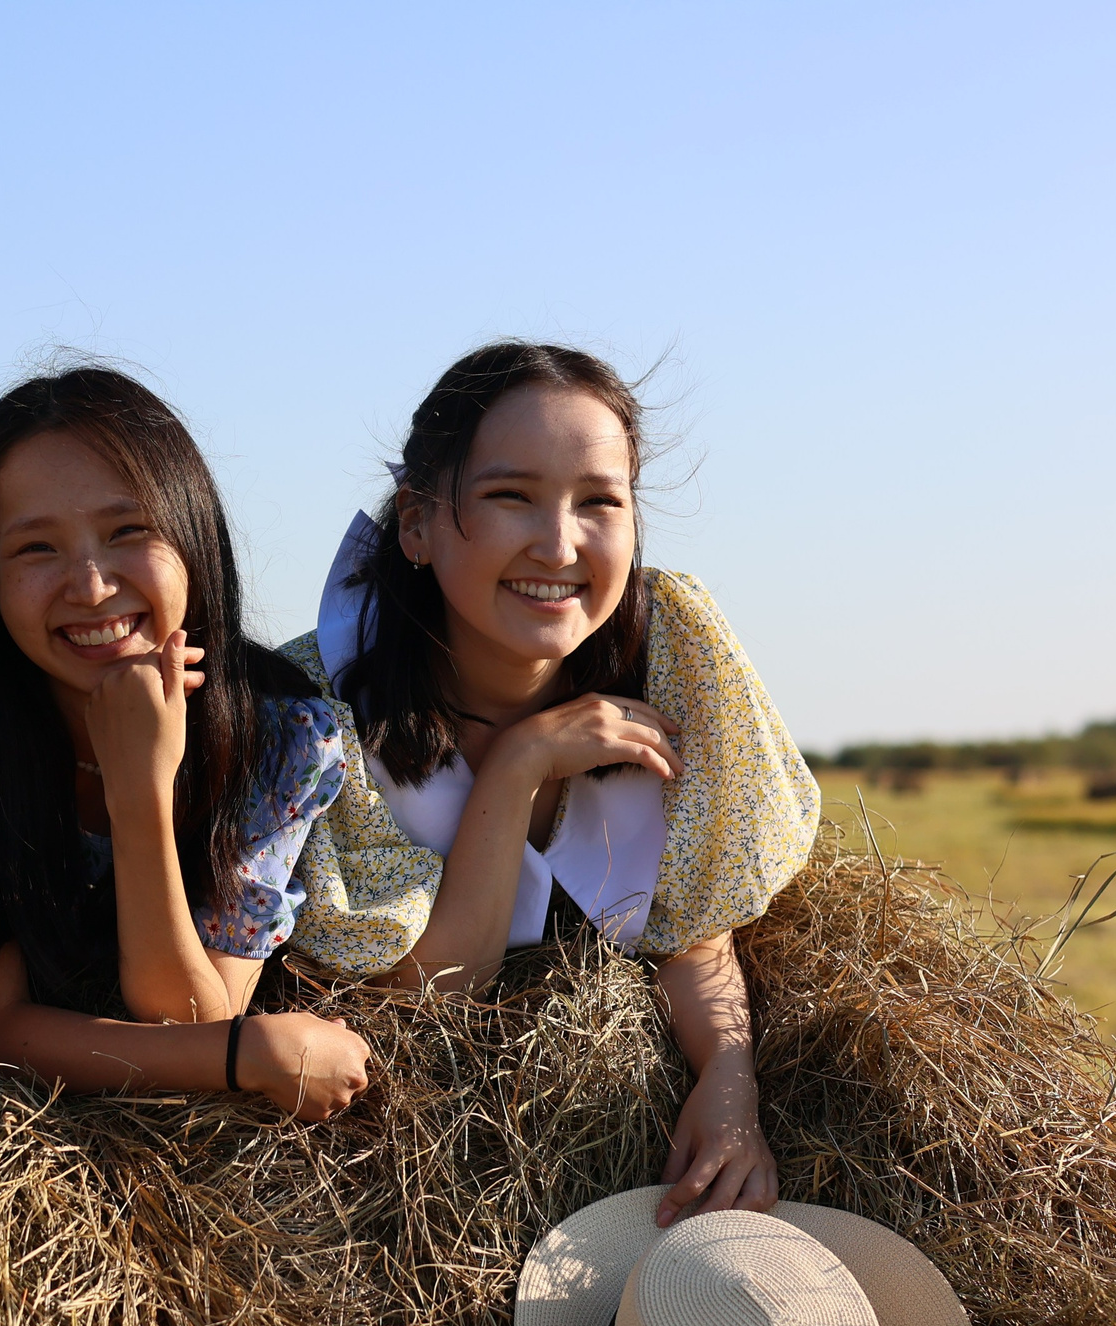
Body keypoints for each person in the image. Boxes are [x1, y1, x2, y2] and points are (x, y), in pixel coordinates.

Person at [286, 343, 819, 1222]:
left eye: (599, 502)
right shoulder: (321, 714)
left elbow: (692, 921)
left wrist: (730, 1080)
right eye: (510, 496)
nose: (561, 542)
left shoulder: (674, 650)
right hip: (416, 1194)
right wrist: (522, 762)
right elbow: (433, 990)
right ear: (416, 523)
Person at [0, 368, 370, 1118]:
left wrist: (140, 790)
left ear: (193, 537)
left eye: (128, 532)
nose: (89, 586)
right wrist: (240, 1056)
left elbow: (185, 1015)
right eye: (35, 549)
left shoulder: (281, 739)